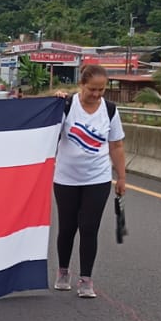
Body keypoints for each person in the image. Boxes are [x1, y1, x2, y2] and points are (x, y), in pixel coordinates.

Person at [53, 64, 126, 299]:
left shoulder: (110, 110)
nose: (95, 94)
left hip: (98, 178)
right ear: (81, 85)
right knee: (67, 227)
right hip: (66, 178)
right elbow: (46, 133)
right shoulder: (66, 106)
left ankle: (86, 279)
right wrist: (53, 102)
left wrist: (121, 177)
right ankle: (63, 271)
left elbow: (116, 145)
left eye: (101, 90)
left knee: (89, 227)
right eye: (91, 89)